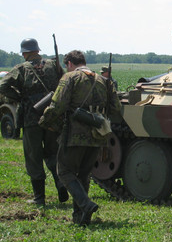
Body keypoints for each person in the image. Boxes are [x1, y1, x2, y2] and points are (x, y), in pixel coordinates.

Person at [39, 50, 121, 225]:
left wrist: (44, 121)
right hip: (97, 134)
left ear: (69, 64)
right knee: (83, 175)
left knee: (64, 171)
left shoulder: (70, 78)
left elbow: (57, 105)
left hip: (74, 134)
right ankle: (80, 217)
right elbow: (116, 108)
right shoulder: (104, 80)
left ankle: (86, 204)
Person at [0, 38, 67, 206]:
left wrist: (20, 97)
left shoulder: (21, 69)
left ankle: (39, 198)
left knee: (33, 157)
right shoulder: (53, 65)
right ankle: (61, 184)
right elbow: (64, 83)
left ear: (24, 53)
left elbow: (2, 85)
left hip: (31, 119)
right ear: (37, 50)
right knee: (53, 153)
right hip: (52, 117)